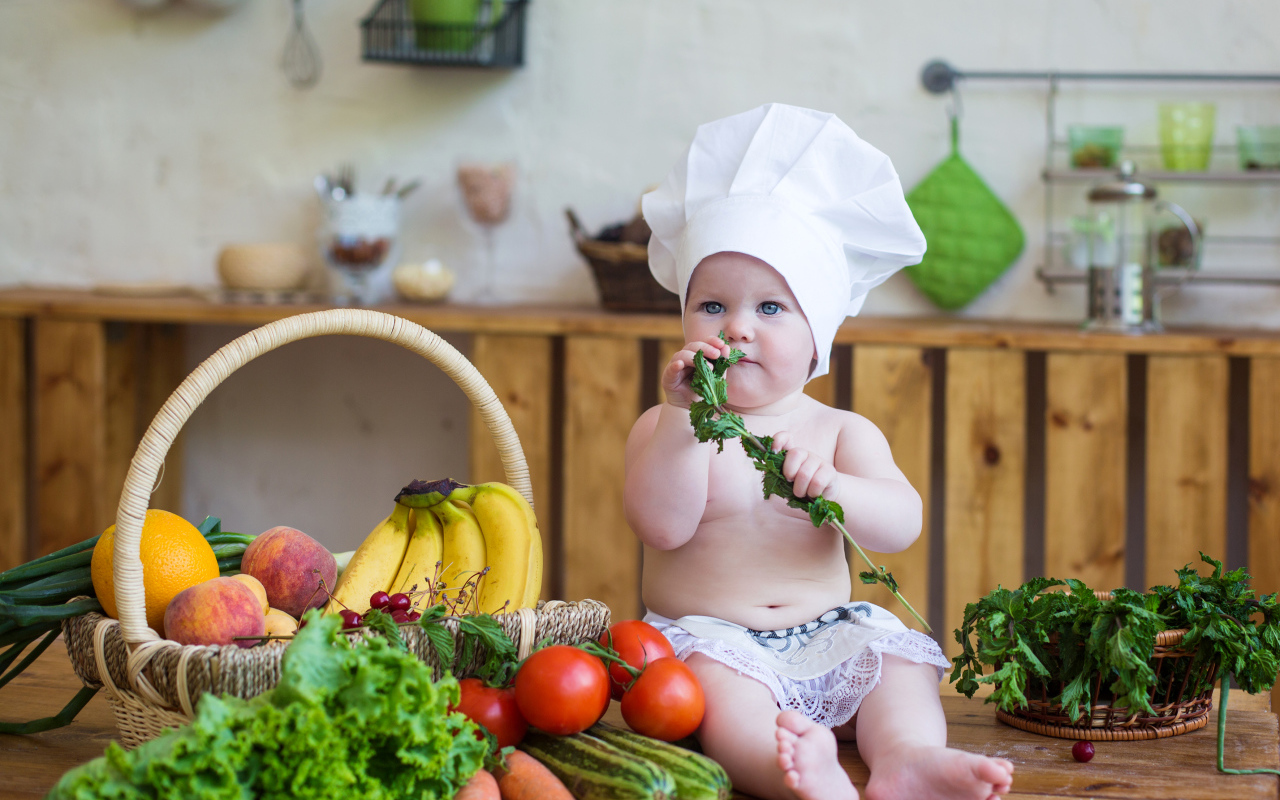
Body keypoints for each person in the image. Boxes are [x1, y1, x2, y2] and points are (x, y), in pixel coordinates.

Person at [624, 104, 1016, 800]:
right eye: (712, 306)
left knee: (897, 665)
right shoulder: (665, 423)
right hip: (714, 641)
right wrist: (686, 421)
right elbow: (663, 526)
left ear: (818, 338)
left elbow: (900, 522)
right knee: (721, 702)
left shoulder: (840, 431)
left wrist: (838, 488)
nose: (738, 327)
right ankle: (792, 775)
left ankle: (906, 759)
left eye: (771, 309)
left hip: (830, 633)